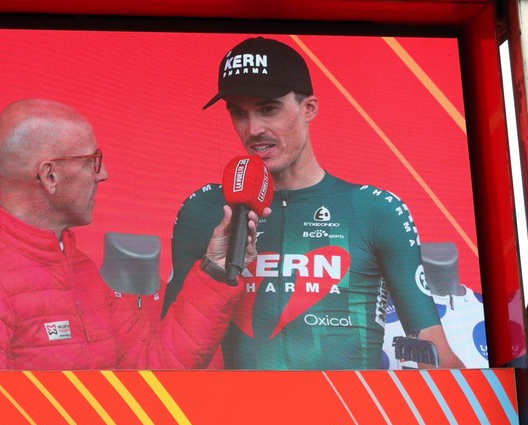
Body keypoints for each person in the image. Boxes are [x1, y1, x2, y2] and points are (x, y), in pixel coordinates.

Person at [165, 36, 466, 370]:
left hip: (348, 406)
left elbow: (435, 356)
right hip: (232, 404)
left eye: (268, 109)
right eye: (239, 112)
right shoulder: (205, 209)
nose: (253, 129)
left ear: (309, 108)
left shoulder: (376, 210)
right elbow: (167, 361)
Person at [0, 98, 263, 370]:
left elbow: (153, 368)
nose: (103, 174)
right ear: (49, 176)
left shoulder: (80, 270)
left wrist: (217, 269)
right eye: (92, 161)